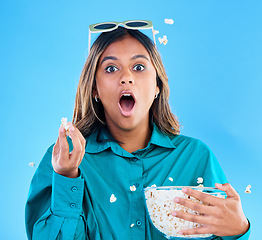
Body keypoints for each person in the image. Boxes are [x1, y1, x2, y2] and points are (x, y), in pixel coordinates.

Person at [25, 21, 250, 240]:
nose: (126, 78)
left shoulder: (196, 157)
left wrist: (238, 230)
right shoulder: (63, 160)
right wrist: (66, 178)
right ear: (95, 88)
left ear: (157, 86)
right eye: (111, 68)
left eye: (139, 67)